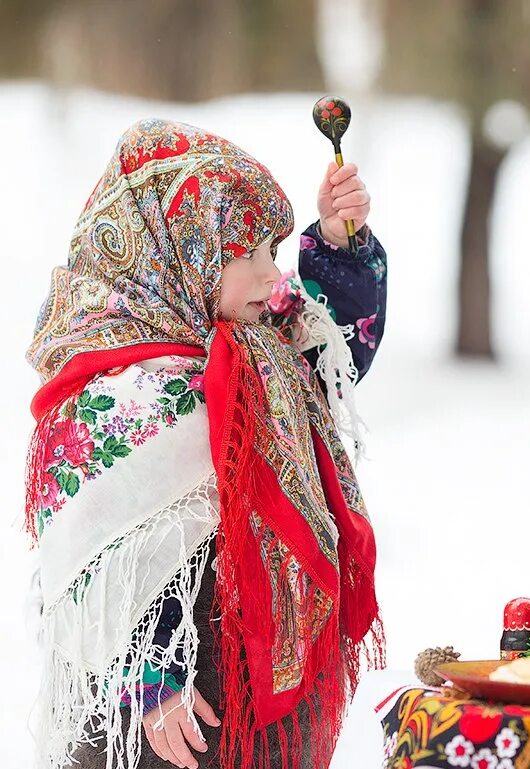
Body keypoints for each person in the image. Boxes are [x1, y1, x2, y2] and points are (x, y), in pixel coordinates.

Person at [25, 118, 386, 769]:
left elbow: (334, 343)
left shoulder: (255, 344)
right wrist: (147, 673)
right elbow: (99, 559)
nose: (271, 274)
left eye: (272, 252)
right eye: (248, 253)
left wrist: (335, 242)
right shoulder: (113, 390)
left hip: (261, 707)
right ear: (178, 251)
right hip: (167, 719)